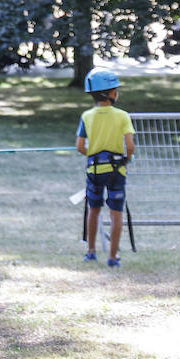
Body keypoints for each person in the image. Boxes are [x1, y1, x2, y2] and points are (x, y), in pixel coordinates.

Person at [77, 67, 135, 268]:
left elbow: (79, 146)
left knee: (93, 210)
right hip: (116, 172)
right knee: (116, 213)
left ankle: (91, 251)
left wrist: (93, 156)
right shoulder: (122, 116)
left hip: (94, 172)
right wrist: (125, 160)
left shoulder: (87, 116)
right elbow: (130, 146)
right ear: (109, 93)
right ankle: (112, 257)